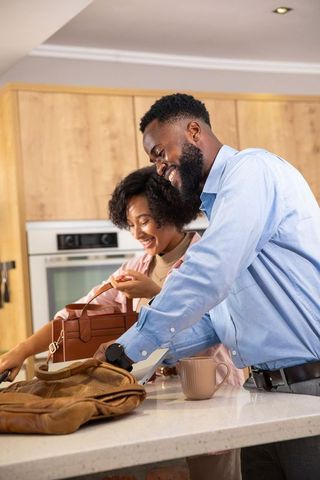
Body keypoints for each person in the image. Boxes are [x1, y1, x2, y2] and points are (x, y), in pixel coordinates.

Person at [107, 93, 320, 480]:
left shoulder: (252, 170)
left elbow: (211, 271)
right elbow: (217, 322)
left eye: (160, 152)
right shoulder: (220, 208)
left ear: (193, 131)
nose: (159, 168)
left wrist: (131, 344)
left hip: (310, 389)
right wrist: (143, 360)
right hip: (262, 393)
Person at [0, 165, 244, 479]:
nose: (138, 233)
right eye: (130, 224)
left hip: (212, 400)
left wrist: (154, 291)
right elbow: (76, 315)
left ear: (171, 209)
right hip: (157, 407)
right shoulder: (139, 264)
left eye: (144, 220)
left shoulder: (208, 258)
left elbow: (216, 321)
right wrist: (20, 351)